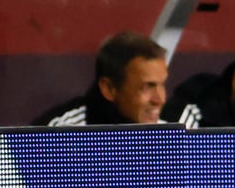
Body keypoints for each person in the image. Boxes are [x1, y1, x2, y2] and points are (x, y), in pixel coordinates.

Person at [33, 31, 168, 126]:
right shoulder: (59, 138)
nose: (160, 99)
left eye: (162, 85)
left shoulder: (173, 139)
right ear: (109, 89)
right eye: (147, 86)